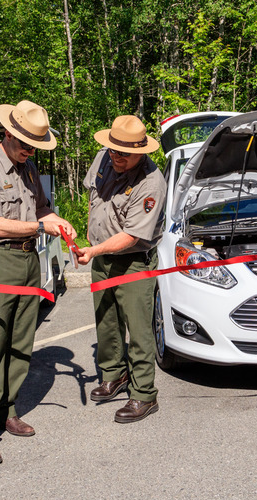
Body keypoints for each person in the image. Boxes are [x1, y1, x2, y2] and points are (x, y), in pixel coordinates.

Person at [0, 100, 77, 465]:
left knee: (20, 344)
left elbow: (41, 209)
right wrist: (43, 226)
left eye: (35, 145)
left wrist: (60, 221)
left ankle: (7, 412)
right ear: (9, 134)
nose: (30, 150)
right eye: (26, 143)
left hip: (30, 259)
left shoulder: (28, 169)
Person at [77, 115, 166, 423]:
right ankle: (114, 375)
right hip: (101, 257)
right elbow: (93, 197)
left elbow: (133, 235)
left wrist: (94, 250)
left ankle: (144, 395)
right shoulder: (105, 157)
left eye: (124, 154)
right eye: (113, 149)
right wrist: (92, 241)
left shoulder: (151, 182)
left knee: (139, 329)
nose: (115, 156)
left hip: (133, 261)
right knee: (106, 321)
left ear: (141, 153)